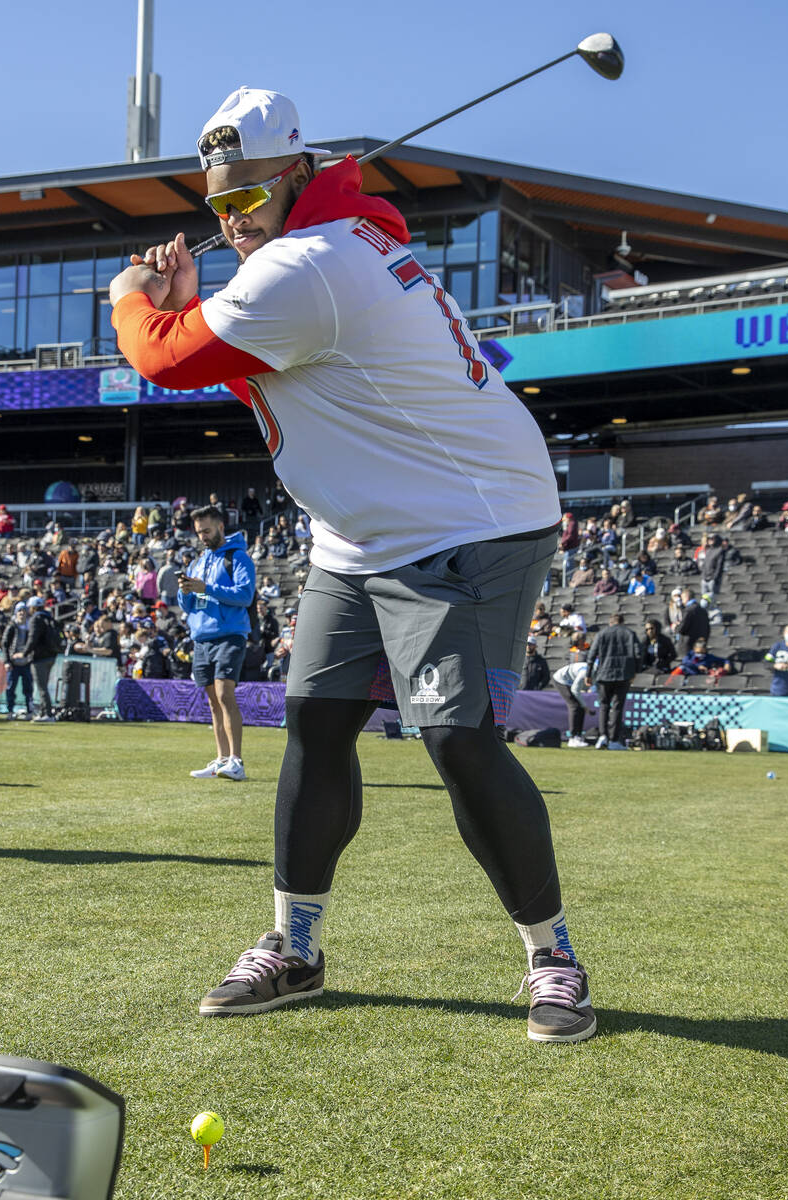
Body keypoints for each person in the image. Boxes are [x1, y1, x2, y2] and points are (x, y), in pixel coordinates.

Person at [109, 86, 594, 1043]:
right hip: (362, 531)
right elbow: (230, 338)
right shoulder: (318, 248)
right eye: (219, 206)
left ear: (296, 175)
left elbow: (162, 361)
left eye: (249, 198)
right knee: (315, 725)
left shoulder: (311, 266)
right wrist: (187, 304)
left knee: (455, 739)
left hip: (471, 519)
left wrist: (134, 300)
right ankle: (295, 946)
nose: (233, 220)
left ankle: (554, 957)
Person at [180, 504, 257, 782]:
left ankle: (236, 761)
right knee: (213, 702)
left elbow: (245, 595)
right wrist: (185, 591)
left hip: (229, 634)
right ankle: (222, 760)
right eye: (199, 532)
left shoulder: (238, 557)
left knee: (225, 696)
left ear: (221, 527)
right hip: (201, 637)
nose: (202, 536)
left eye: (207, 531)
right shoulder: (197, 562)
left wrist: (206, 588)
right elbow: (188, 606)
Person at [586, 613, 641, 750]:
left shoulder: (602, 634)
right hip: (623, 675)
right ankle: (614, 740)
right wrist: (635, 672)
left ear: (610, 622)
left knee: (604, 706)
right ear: (622, 622)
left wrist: (588, 674)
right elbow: (638, 654)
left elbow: (591, 655)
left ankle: (602, 736)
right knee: (617, 707)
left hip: (604, 674)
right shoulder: (630, 633)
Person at [26, 596, 59, 721]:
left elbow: (32, 639)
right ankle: (44, 711)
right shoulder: (49, 617)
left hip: (39, 657)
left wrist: (24, 653)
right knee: (43, 686)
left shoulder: (36, 619)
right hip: (51, 656)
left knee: (41, 687)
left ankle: (47, 714)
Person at [2, 602, 34, 719]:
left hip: (26, 662)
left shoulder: (30, 627)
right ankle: (10, 711)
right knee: (10, 688)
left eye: (24, 611)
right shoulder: (12, 626)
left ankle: (30, 711)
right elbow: (5, 644)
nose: (22, 613)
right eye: (20, 611)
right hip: (13, 663)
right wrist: (7, 661)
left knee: (28, 688)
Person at [552, 658, 590, 747]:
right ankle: (572, 738)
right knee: (575, 706)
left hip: (570, 681)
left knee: (579, 707)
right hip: (560, 680)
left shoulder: (593, 672)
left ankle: (578, 736)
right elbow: (575, 690)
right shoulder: (584, 673)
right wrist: (585, 706)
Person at [677, 588, 710, 653]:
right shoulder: (703, 610)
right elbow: (707, 629)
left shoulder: (688, 610)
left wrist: (676, 627)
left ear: (687, 598)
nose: (682, 601)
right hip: (700, 645)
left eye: (682, 599)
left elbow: (682, 628)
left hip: (688, 645)